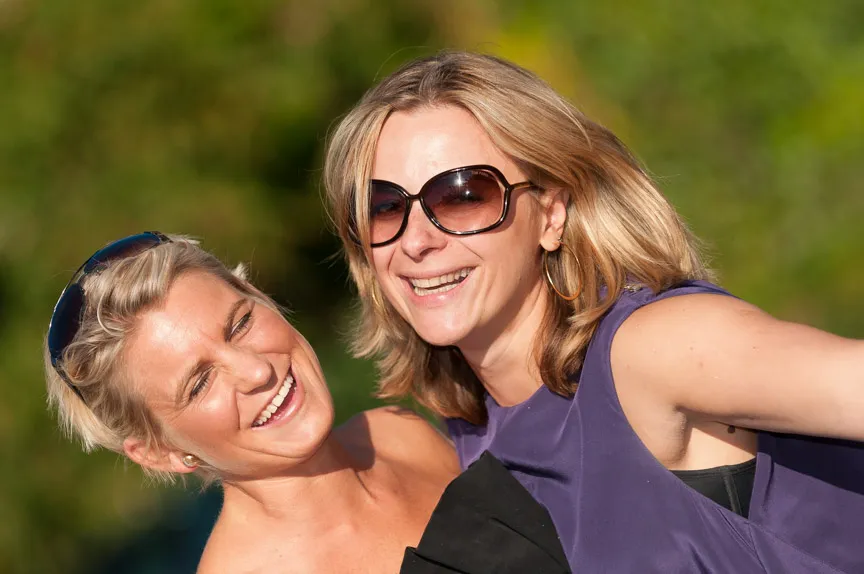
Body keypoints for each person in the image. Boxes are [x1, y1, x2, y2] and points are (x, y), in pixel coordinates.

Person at [324, 51, 864, 572]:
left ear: (552, 213)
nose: (416, 240)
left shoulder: (651, 347)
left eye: (464, 195)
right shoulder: (474, 428)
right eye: (384, 207)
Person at [44, 232, 461, 573]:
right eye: (200, 383)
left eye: (240, 324)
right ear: (159, 453)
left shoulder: (398, 431)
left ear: (257, 293)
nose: (256, 372)